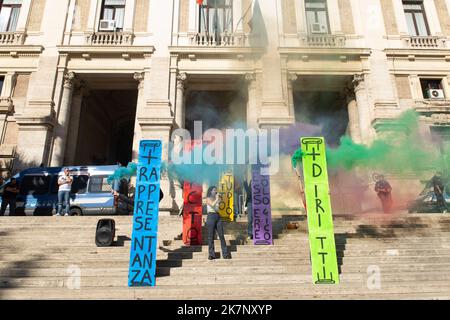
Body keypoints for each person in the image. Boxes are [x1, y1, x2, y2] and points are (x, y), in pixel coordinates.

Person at [205, 186, 231, 260]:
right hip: (211, 216)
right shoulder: (208, 199)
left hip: (217, 216)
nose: (215, 191)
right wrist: (217, 199)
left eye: (216, 190)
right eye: (214, 190)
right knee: (211, 236)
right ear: (210, 191)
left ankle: (225, 253)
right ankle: (211, 254)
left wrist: (218, 199)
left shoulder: (218, 199)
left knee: (221, 235)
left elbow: (217, 207)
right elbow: (212, 205)